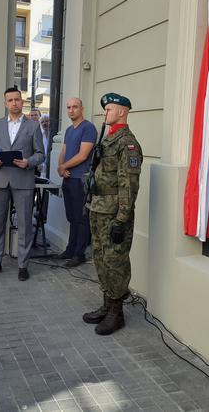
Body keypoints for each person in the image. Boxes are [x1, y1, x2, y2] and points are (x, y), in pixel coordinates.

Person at [83, 93, 142, 335]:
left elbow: (129, 184)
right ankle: (107, 304)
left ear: (122, 112)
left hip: (114, 213)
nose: (105, 113)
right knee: (100, 256)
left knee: (115, 260)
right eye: (105, 109)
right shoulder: (107, 140)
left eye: (109, 109)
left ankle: (117, 312)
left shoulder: (127, 143)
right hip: (98, 207)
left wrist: (121, 219)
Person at [0, 86, 44, 281]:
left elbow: (41, 154)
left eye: (17, 99)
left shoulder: (33, 126)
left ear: (22, 101)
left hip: (23, 180)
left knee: (25, 224)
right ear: (5, 103)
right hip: (0, 179)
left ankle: (23, 265)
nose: (14, 103)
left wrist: (28, 162)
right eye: (10, 100)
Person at [56, 98, 98, 267]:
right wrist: (60, 167)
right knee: (72, 217)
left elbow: (83, 155)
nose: (71, 110)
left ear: (82, 108)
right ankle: (70, 249)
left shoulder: (88, 128)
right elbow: (63, 151)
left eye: (75, 107)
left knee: (81, 218)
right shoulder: (68, 130)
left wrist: (64, 166)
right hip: (68, 178)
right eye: (68, 107)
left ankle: (79, 254)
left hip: (80, 179)